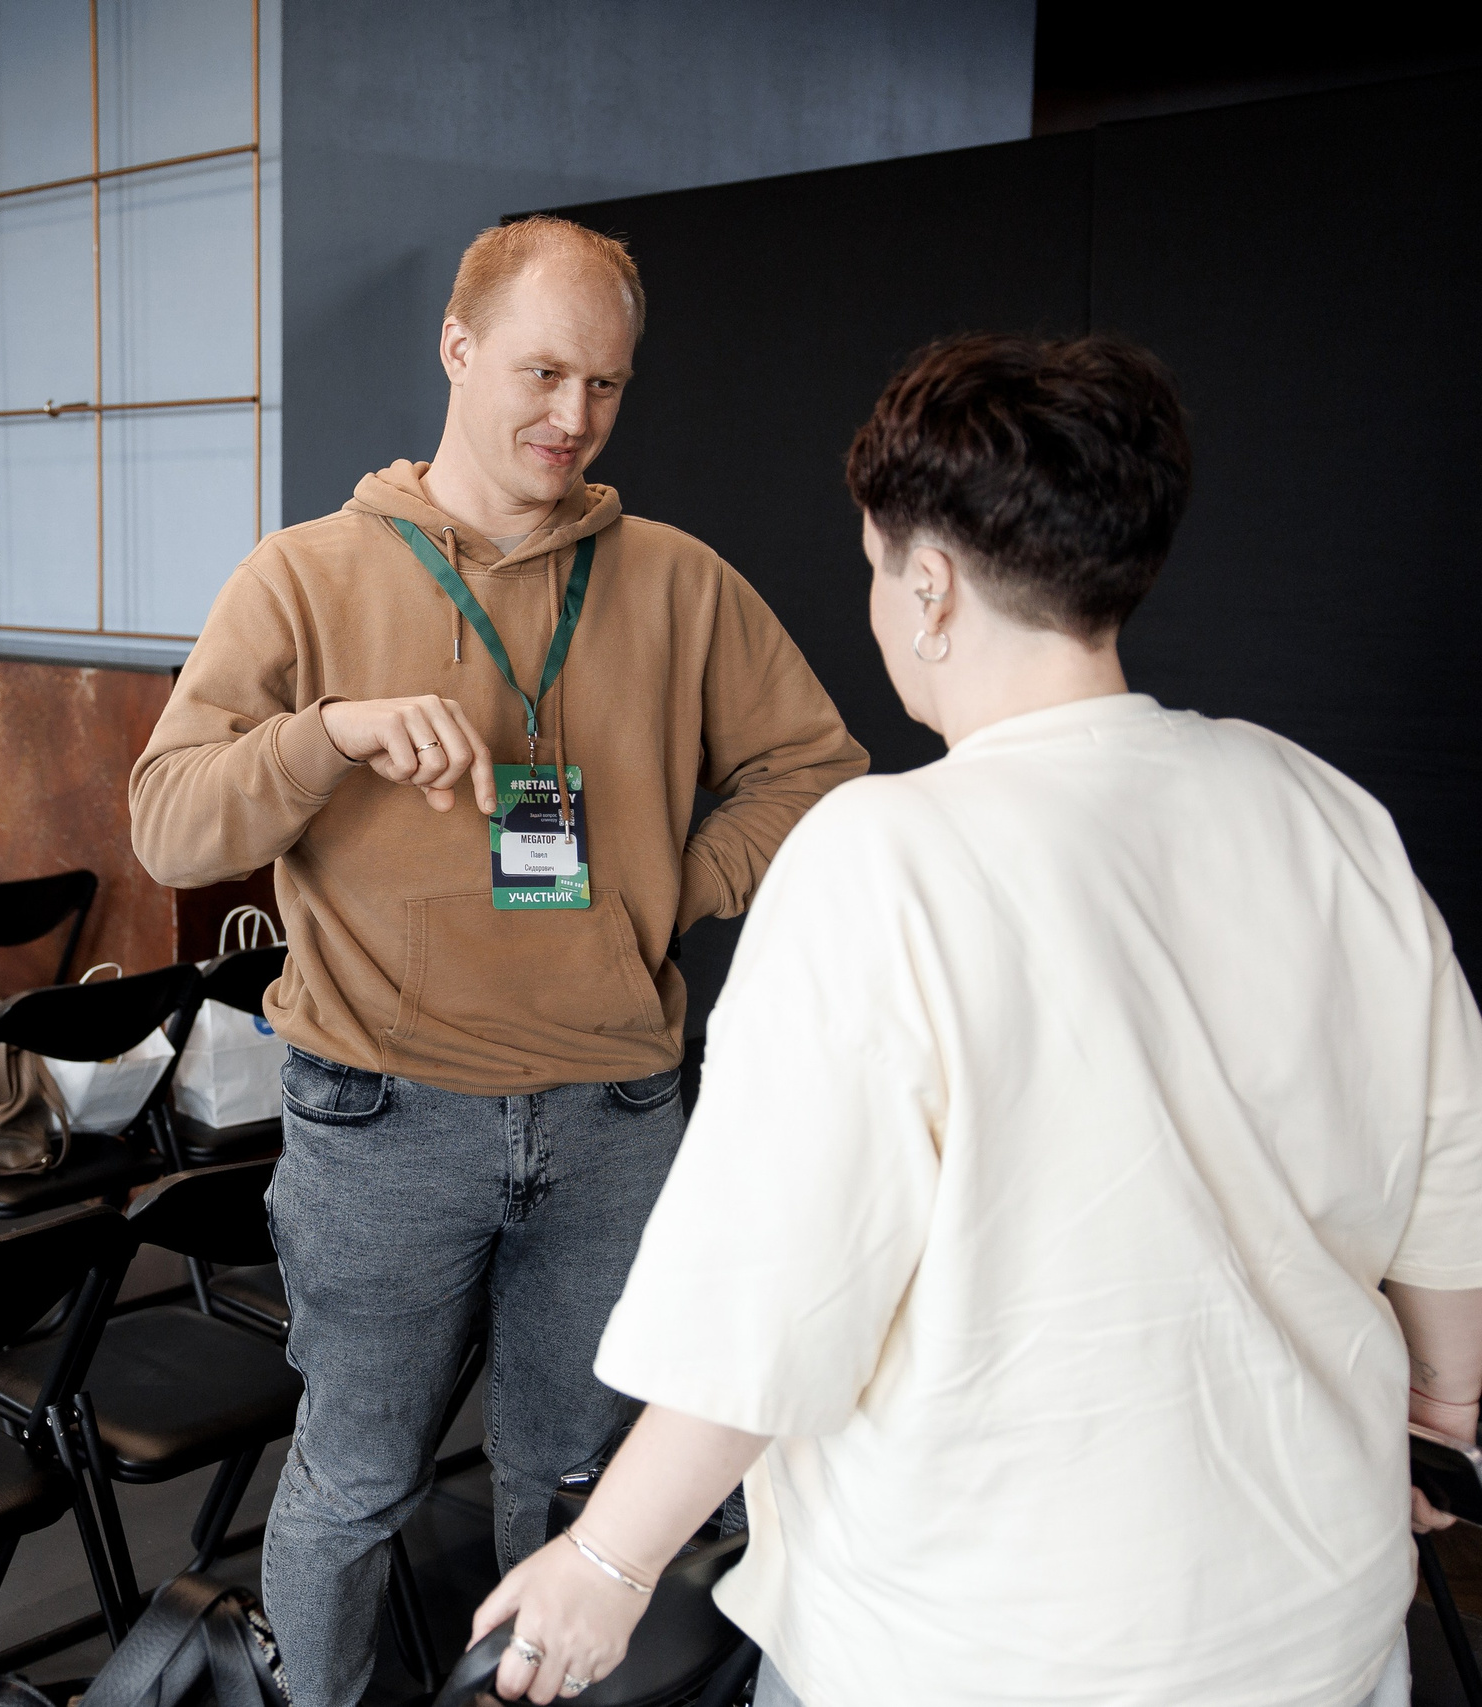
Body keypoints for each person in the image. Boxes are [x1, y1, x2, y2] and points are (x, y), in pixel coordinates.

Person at [475, 333, 1482, 1707]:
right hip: (1322, 1614)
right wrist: (1441, 1415)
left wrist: (606, 1555)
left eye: (879, 566)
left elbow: (773, 1294)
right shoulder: (1322, 810)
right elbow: (1449, 1176)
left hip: (979, 1642)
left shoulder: (882, 855)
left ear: (930, 584)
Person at [128, 216, 867, 1707]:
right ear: (455, 349)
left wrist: (666, 890)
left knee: (588, 1486)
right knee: (353, 1482)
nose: (573, 416)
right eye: (542, 370)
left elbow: (819, 770)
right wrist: (322, 736)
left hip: (614, 1113)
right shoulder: (303, 576)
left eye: (605, 383)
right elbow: (167, 821)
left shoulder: (674, 580)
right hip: (379, 1118)